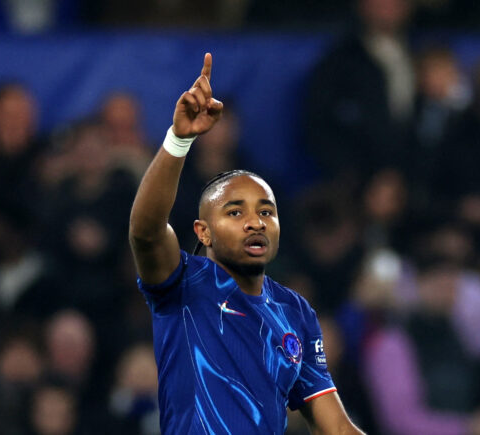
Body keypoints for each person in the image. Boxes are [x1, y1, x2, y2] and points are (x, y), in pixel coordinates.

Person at [128, 53, 364, 434]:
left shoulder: (296, 312)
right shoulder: (184, 284)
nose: (256, 221)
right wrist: (179, 141)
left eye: (267, 212)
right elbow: (146, 231)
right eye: (235, 212)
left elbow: (336, 427)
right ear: (203, 232)